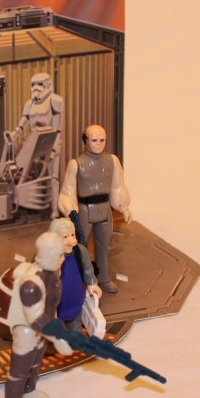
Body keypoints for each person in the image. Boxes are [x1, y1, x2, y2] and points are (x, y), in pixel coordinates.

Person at [0, 231, 75, 398]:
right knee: (20, 369)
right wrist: (57, 338)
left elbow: (51, 305)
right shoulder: (31, 285)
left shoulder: (53, 274)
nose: (63, 259)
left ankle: (29, 389)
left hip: (44, 328)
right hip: (26, 331)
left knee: (36, 361)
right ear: (50, 256)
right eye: (60, 255)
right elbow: (35, 319)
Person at [57, 124, 131, 293]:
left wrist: (124, 207)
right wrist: (69, 211)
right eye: (94, 140)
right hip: (84, 210)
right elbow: (68, 189)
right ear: (85, 141)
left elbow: (117, 186)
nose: (98, 143)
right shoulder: (76, 163)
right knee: (80, 247)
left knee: (104, 246)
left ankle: (103, 278)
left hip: (105, 208)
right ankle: (80, 280)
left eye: (102, 140)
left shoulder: (113, 161)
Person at [47, 217, 103, 332]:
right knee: (56, 328)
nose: (72, 240)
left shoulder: (80, 251)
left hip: (75, 296)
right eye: (65, 237)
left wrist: (92, 284)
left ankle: (76, 336)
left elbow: (88, 269)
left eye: (73, 234)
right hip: (57, 301)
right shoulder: (48, 255)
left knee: (75, 323)